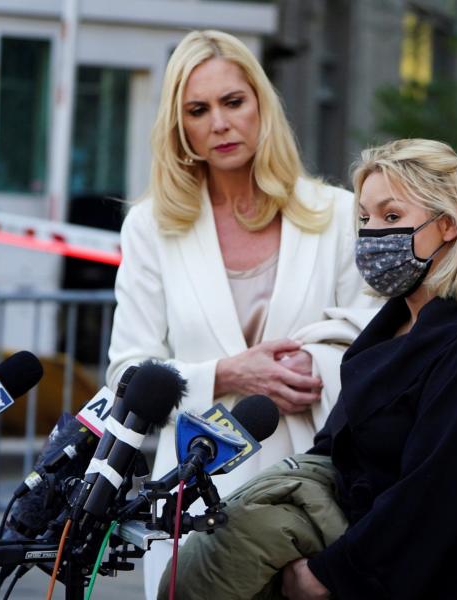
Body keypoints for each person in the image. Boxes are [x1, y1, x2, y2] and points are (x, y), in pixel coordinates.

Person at [105, 29, 379, 599]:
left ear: (261, 104)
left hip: (312, 484)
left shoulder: (338, 216)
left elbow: (372, 345)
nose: (220, 124)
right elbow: (127, 374)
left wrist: (311, 362)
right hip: (193, 485)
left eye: (233, 102)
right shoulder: (152, 227)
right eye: (198, 110)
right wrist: (228, 374)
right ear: (180, 127)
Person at [278, 139, 457, 600]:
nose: (372, 234)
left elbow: (433, 494)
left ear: (447, 225)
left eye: (392, 216)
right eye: (364, 218)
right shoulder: (384, 333)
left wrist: (328, 575)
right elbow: (338, 456)